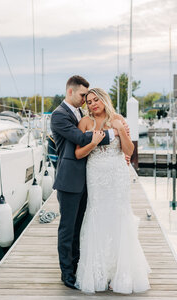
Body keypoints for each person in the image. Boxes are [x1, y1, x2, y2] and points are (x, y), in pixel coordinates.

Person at [75, 88, 151, 294]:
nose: (92, 104)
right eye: (89, 102)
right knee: (97, 215)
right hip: (96, 175)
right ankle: (100, 272)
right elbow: (79, 154)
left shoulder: (118, 119)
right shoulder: (85, 123)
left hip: (118, 175)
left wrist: (121, 130)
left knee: (119, 216)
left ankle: (120, 272)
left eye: (96, 100)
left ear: (104, 100)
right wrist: (93, 142)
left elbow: (129, 151)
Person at [50, 76, 119, 289]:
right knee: (67, 229)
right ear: (70, 92)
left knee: (80, 227)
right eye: (82, 96)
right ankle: (67, 274)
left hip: (88, 179)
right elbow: (80, 139)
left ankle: (78, 266)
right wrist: (114, 133)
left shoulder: (79, 113)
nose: (84, 101)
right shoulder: (58, 116)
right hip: (69, 179)